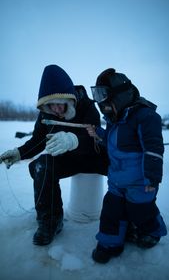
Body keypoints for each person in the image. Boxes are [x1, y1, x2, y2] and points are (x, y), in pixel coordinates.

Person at [0, 64, 109, 246]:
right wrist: (19, 153)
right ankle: (50, 221)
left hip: (93, 157)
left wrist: (74, 140)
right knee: (41, 165)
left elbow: (95, 140)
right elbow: (37, 141)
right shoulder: (45, 115)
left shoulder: (88, 107)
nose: (56, 108)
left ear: (69, 98)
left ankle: (128, 217)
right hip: (68, 160)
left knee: (125, 167)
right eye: (51, 104)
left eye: (60, 103)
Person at [87, 68, 167, 263]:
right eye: (97, 94)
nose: (100, 101)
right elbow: (117, 143)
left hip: (140, 181)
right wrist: (99, 134)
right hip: (117, 180)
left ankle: (153, 231)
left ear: (120, 95)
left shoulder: (145, 116)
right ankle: (109, 244)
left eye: (103, 94)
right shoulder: (114, 120)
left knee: (140, 211)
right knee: (111, 211)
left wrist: (152, 177)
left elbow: (154, 148)